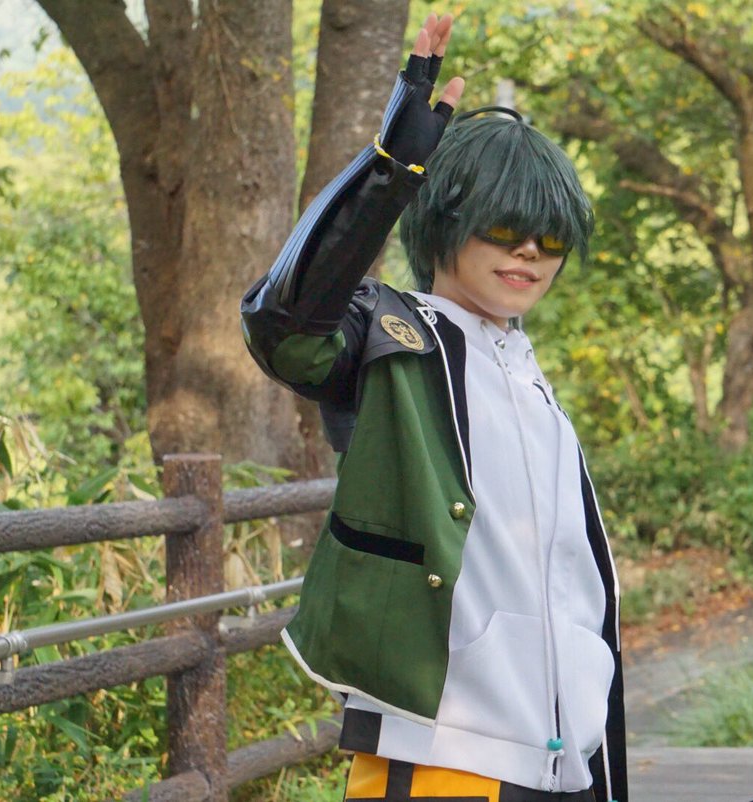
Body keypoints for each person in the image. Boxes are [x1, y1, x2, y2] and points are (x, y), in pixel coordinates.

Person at [241, 13, 627, 802]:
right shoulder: (392, 338)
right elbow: (285, 325)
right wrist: (393, 167)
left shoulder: (531, 381)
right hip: (443, 754)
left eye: (550, 239)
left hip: (563, 763)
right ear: (446, 220)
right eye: (507, 228)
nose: (529, 252)